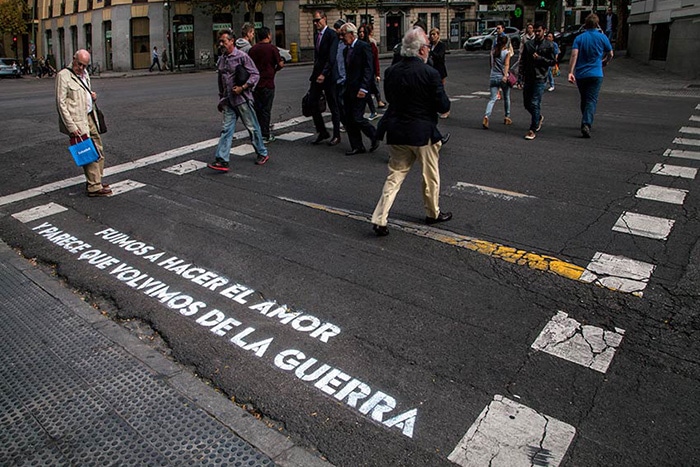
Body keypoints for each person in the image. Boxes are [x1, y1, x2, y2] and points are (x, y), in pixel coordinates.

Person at [370, 27, 451, 237]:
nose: (429, 50)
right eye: (427, 47)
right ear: (422, 50)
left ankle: (380, 218)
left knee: (395, 175)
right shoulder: (430, 73)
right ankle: (432, 212)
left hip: (397, 130)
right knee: (430, 175)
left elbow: (391, 100)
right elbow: (443, 106)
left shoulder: (391, 71)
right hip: (423, 133)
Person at [208, 30, 269, 171]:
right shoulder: (222, 59)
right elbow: (221, 81)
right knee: (226, 130)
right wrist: (221, 99)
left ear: (232, 41)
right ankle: (222, 160)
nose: (221, 44)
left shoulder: (242, 56)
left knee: (252, 127)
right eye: (220, 41)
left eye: (224, 41)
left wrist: (243, 87)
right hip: (229, 100)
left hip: (242, 99)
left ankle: (262, 152)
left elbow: (255, 74)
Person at [56, 49, 111, 197]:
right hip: (77, 119)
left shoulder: (85, 74)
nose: (81, 68)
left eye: (84, 66)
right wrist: (71, 127)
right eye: (79, 64)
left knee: (98, 148)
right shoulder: (63, 76)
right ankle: (94, 186)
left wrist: (91, 96)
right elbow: (61, 104)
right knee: (88, 151)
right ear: (74, 59)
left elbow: (83, 93)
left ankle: (96, 180)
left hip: (89, 115)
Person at [568, 13, 613, 138]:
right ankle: (586, 123)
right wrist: (605, 61)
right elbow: (610, 53)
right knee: (591, 99)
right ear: (597, 24)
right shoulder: (602, 38)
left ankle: (585, 120)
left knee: (584, 98)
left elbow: (574, 55)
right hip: (596, 73)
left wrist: (571, 72)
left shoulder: (580, 38)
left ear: (585, 25)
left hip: (581, 74)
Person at [340, 22, 378, 156]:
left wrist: (364, 88)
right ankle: (357, 145)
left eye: (343, 35)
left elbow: (369, 69)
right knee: (349, 118)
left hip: (361, 89)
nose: (342, 38)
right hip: (349, 89)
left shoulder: (363, 47)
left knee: (357, 118)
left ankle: (374, 135)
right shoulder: (346, 50)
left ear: (351, 34)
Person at [309, 10, 342, 146]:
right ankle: (322, 131)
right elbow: (318, 57)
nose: (316, 23)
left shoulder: (332, 35)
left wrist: (324, 73)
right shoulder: (317, 35)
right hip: (317, 74)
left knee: (333, 105)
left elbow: (331, 57)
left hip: (329, 76)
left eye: (318, 20)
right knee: (312, 103)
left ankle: (336, 135)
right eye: (314, 21)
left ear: (325, 19)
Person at [518, 22, 556, 140]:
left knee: (535, 102)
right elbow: (523, 61)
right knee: (527, 103)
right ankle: (538, 117)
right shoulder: (529, 45)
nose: (537, 33)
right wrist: (520, 77)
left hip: (540, 77)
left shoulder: (549, 45)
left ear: (544, 31)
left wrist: (540, 59)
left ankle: (532, 128)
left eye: (539, 31)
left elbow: (552, 61)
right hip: (529, 76)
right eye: (536, 31)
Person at [249, 26, 284, 143]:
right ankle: (265, 134)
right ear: (268, 35)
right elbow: (280, 64)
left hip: (255, 84)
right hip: (268, 83)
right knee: (266, 109)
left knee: (258, 109)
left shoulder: (253, 49)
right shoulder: (272, 49)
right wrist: (275, 69)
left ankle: (258, 131)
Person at [482, 35, 512, 129]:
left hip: (493, 76)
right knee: (506, 97)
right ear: (505, 43)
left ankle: (486, 116)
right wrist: (505, 75)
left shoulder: (493, 51)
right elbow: (506, 65)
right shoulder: (506, 52)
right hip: (502, 77)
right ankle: (507, 116)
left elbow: (491, 64)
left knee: (492, 99)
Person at [358, 24, 380, 120]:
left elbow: (375, 60)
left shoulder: (371, 45)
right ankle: (370, 111)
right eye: (360, 32)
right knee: (366, 94)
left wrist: (377, 74)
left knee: (366, 92)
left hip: (369, 73)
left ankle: (371, 111)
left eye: (363, 32)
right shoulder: (357, 44)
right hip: (360, 73)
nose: (361, 34)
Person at [429, 28, 449, 119]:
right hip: (431, 71)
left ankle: (446, 109)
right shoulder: (430, 45)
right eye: (431, 35)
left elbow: (440, 57)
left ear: (438, 35)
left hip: (440, 71)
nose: (432, 37)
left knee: (440, 91)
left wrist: (431, 52)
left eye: (434, 34)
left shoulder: (441, 45)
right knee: (432, 91)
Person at [367, 24, 386, 109]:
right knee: (375, 85)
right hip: (371, 69)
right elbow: (375, 59)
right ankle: (379, 101)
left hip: (368, 69)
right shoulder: (372, 42)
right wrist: (377, 73)